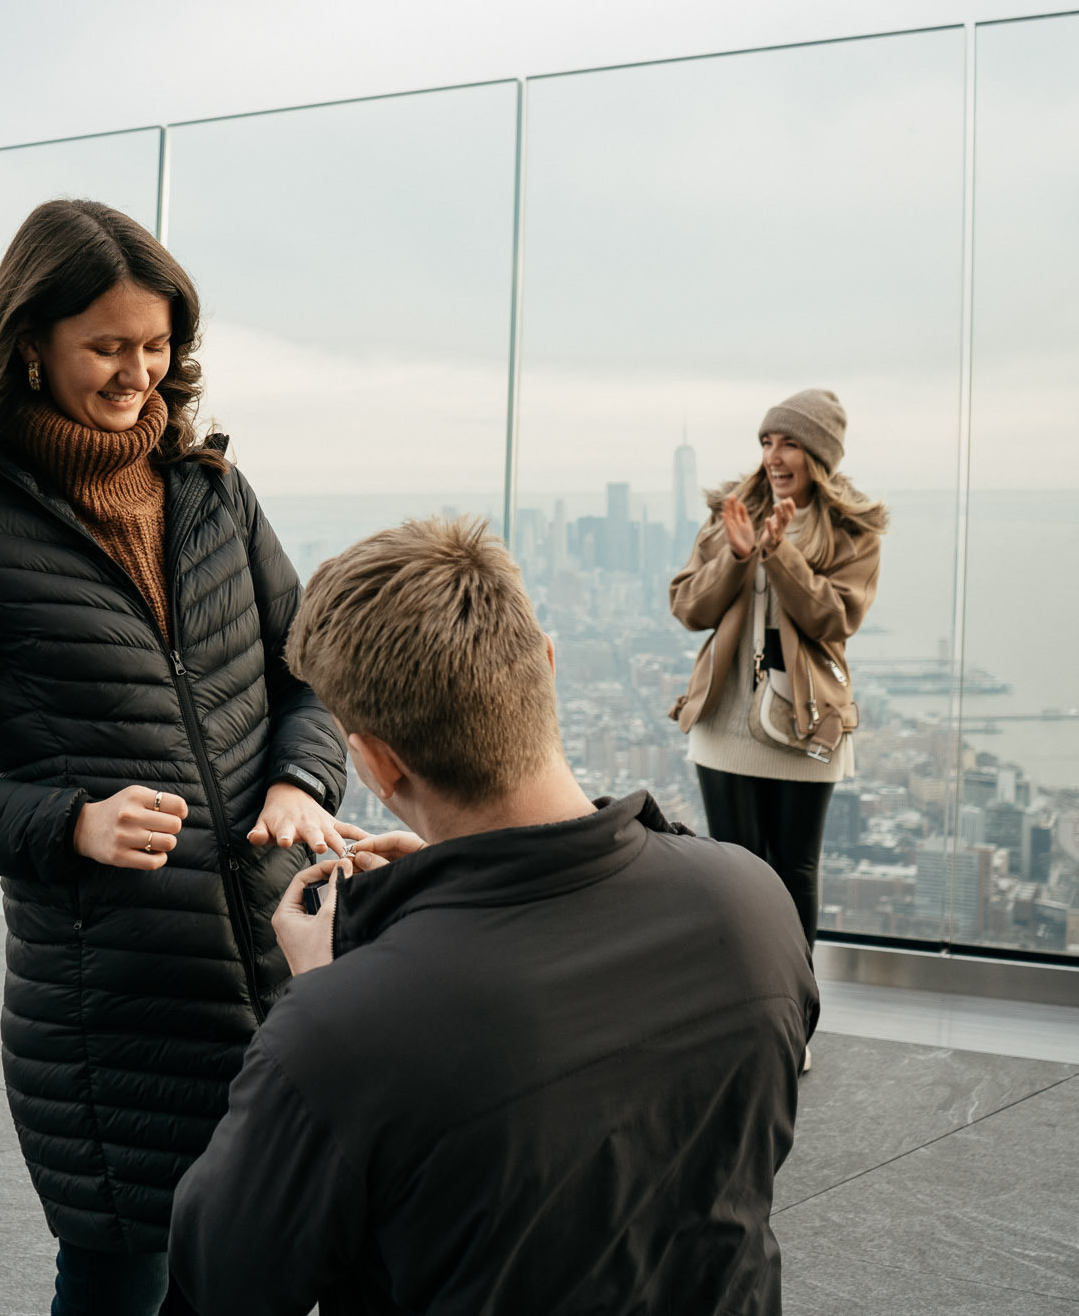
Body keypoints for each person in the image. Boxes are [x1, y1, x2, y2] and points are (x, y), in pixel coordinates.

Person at [0, 199, 349, 1316]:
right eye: (108, 346)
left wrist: (297, 779)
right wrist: (66, 822)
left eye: (156, 347)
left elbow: (312, 670)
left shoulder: (213, 493)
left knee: (253, 1277)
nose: (138, 374)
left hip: (281, 968)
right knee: (122, 1280)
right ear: (31, 343)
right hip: (110, 1007)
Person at [170, 516, 818, 1316]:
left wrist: (320, 999)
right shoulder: (752, 904)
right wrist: (447, 902)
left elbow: (221, 1279)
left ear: (373, 761)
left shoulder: (342, 1028)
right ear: (547, 662)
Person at [669, 389, 889, 987]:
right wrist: (739, 557)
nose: (773, 456)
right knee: (734, 875)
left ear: (819, 454)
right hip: (725, 717)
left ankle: (792, 1006)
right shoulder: (732, 513)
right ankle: (742, 1002)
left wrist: (780, 553)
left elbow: (834, 619)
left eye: (789, 443)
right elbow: (688, 606)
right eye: (767, 442)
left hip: (805, 719)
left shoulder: (852, 531)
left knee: (793, 871)